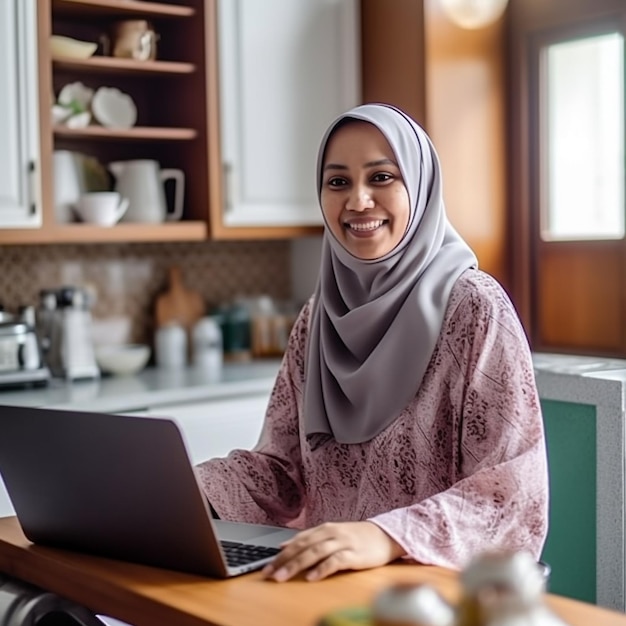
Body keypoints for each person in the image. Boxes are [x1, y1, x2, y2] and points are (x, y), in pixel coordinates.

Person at [196, 103, 549, 583]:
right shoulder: (318, 318)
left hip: (428, 595)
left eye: (382, 177)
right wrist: (188, 489)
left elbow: (512, 493)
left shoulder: (474, 308)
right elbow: (283, 472)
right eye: (338, 182)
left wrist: (386, 536)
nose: (358, 201)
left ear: (420, 187)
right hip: (323, 588)